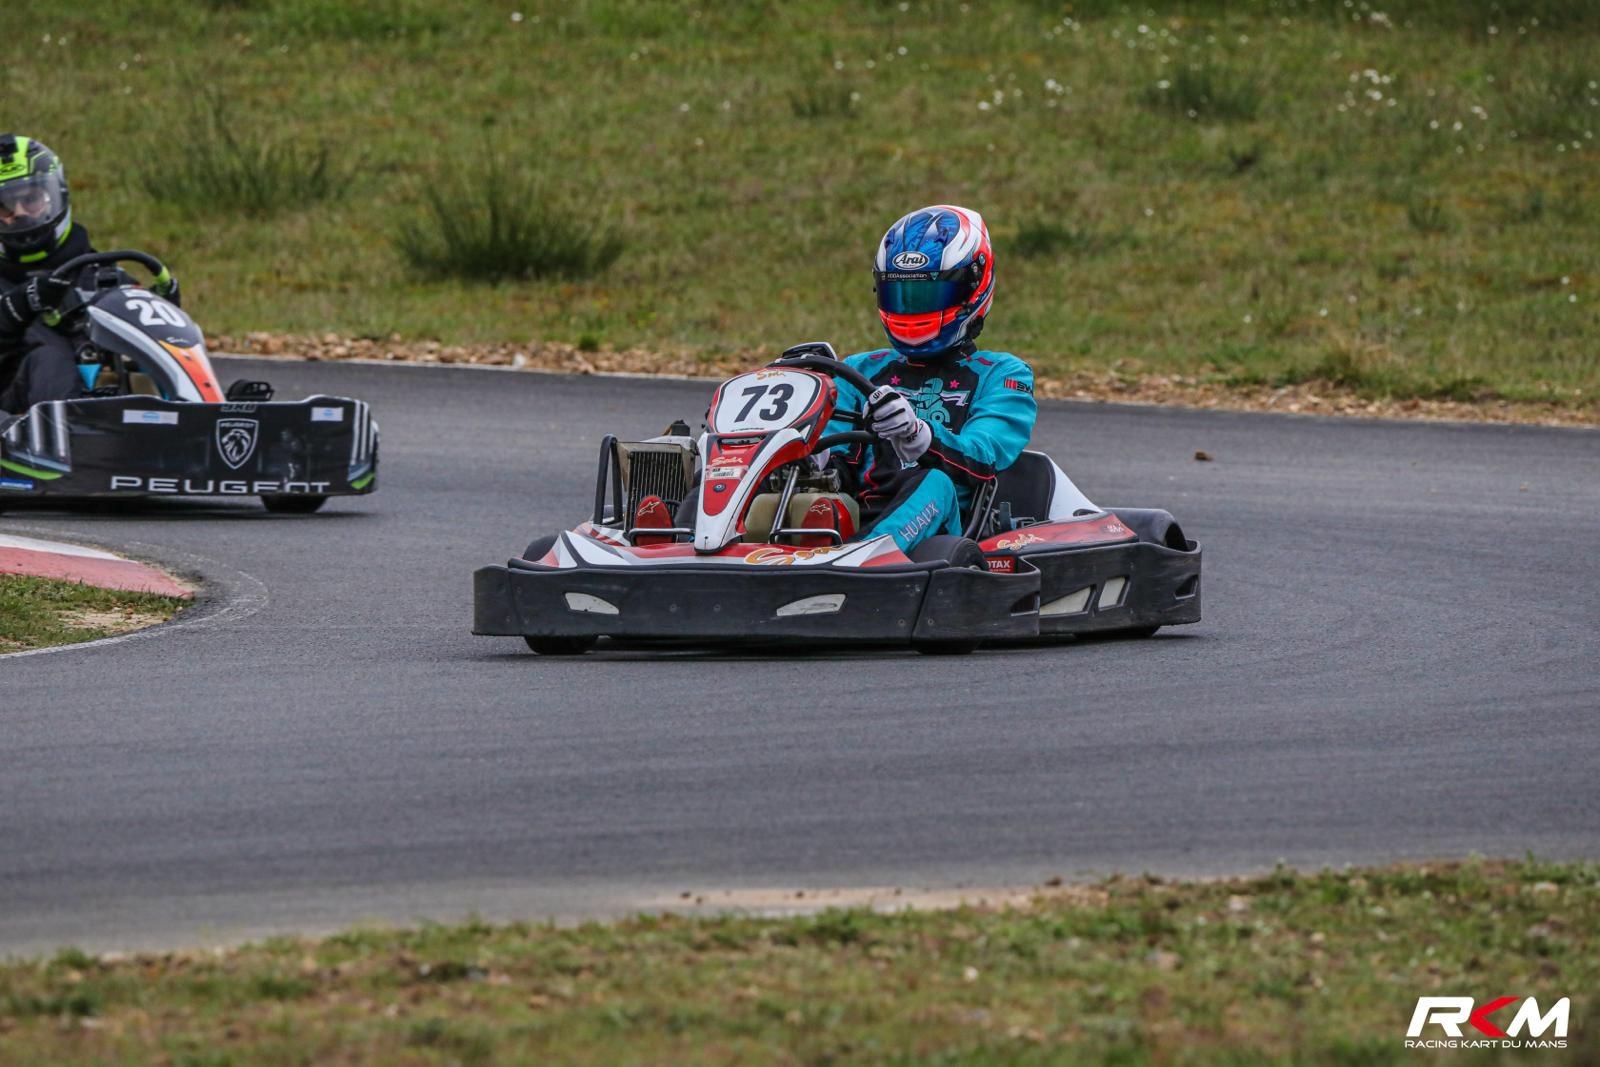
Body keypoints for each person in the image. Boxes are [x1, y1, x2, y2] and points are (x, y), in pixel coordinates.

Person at [820, 204, 1036, 553]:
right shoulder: (857, 368)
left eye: (927, 295)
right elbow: (833, 457)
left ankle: (860, 558)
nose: (913, 310)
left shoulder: (1003, 374)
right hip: (853, 514)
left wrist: (921, 437)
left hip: (946, 531)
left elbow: (984, 457)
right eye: (901, 296)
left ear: (972, 289)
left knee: (934, 481)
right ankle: (708, 542)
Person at [0, 134, 179, 416]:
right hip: (14, 414)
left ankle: (204, 417)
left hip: (102, 413)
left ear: (55, 196)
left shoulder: (99, 275)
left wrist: (162, 313)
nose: (20, 214)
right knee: (49, 360)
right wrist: (17, 307)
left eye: (31, 200)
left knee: (151, 357)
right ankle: (67, 438)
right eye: (5, 208)